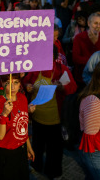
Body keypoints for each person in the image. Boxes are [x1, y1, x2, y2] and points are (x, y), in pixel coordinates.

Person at [23, 45, 77, 179]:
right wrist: (28, 87)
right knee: (37, 144)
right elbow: (26, 82)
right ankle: (36, 165)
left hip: (56, 118)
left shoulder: (61, 70)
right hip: (37, 117)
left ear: (54, 57)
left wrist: (62, 87)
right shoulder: (35, 69)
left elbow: (73, 87)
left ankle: (54, 172)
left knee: (55, 149)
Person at [0, 73, 34, 180]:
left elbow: (23, 125)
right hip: (5, 154)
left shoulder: (22, 98)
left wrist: (28, 147)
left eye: (16, 82)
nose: (13, 87)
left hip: (21, 150)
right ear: (2, 83)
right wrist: (4, 114)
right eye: (8, 83)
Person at [73, 13, 100, 87]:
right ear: (88, 23)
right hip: (81, 78)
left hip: (99, 77)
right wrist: (93, 61)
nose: (98, 26)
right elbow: (76, 58)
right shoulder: (79, 37)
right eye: (95, 23)